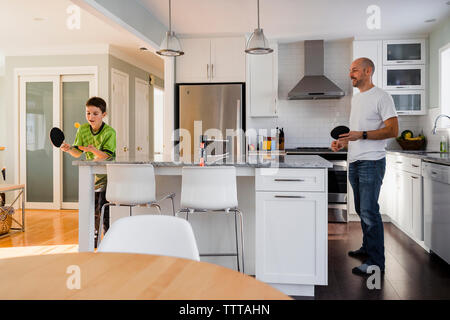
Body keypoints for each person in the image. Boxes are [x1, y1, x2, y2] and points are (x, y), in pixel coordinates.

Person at [331, 58, 398, 276]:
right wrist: (343, 142)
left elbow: (393, 130)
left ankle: (376, 263)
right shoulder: (357, 99)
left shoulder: (382, 97)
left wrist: (363, 135)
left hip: (372, 161)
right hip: (355, 161)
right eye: (350, 70)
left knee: (369, 211)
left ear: (368, 71)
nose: (351, 74)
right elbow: (357, 132)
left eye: (355, 70)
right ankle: (367, 248)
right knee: (361, 210)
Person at [61, 97, 116, 247]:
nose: (91, 117)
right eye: (88, 113)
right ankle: (94, 241)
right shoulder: (83, 129)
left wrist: (93, 150)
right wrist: (68, 149)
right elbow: (77, 153)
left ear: (104, 114)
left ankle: (109, 241)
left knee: (104, 209)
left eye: (95, 113)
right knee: (93, 210)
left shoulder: (110, 132)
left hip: (108, 176)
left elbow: (107, 156)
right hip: (91, 177)